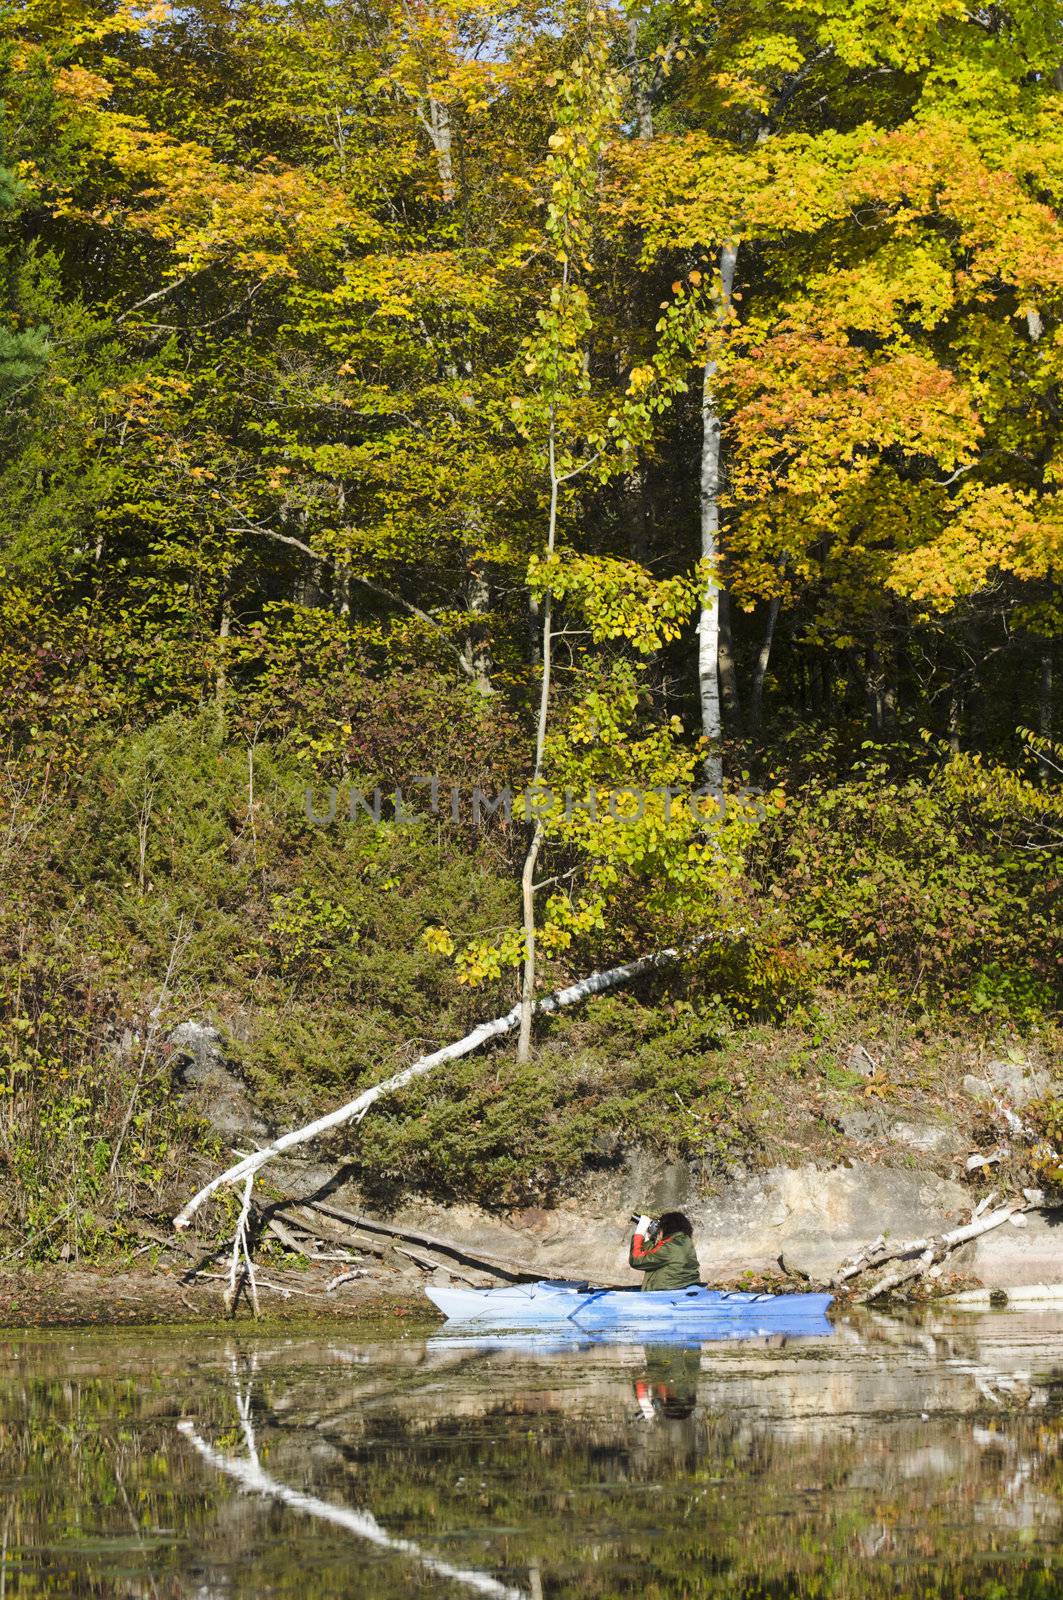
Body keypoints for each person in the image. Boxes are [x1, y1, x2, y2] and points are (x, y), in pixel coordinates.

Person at [628, 1210, 701, 1291]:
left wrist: (640, 1231)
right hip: (682, 1292)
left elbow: (636, 1260)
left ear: (666, 1228)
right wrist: (648, 1237)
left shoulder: (670, 1247)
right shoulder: (683, 1242)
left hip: (666, 1296)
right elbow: (650, 1257)